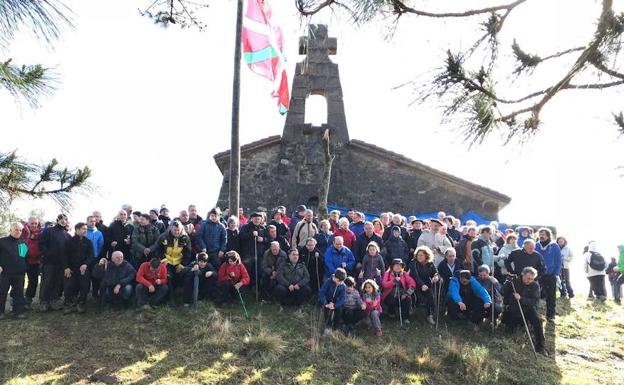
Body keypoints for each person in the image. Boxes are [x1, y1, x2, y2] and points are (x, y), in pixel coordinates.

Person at [502, 266, 547, 355]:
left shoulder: (535, 285)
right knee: (510, 328)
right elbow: (503, 291)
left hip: (528, 308)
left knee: (537, 321)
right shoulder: (514, 281)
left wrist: (521, 298)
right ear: (523, 275)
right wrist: (507, 282)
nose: (529, 281)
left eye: (531, 279)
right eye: (527, 278)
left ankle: (540, 347)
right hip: (514, 308)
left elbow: (534, 301)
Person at [150, 221, 193, 304]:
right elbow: (158, 249)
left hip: (179, 262)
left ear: (181, 229)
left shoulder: (186, 238)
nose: (177, 232)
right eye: (175, 230)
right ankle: (170, 299)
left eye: (178, 230)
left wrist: (182, 265)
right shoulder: (163, 236)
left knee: (183, 277)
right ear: (171, 229)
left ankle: (184, 299)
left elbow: (188, 253)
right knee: (168, 278)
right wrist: (163, 260)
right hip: (166, 261)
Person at [39, 214, 71, 312]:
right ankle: (44, 302)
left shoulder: (66, 234)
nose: (63, 221)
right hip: (49, 262)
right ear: (57, 220)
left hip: (61, 263)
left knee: (57, 283)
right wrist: (48, 254)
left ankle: (54, 301)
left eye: (65, 219)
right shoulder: (49, 231)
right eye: (61, 219)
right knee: (47, 282)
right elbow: (42, 244)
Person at [62, 223, 94, 314]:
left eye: (86, 229)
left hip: (83, 268)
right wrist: (66, 267)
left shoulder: (88, 242)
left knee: (84, 285)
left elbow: (91, 256)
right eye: (83, 229)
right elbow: (64, 255)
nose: (85, 231)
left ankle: (81, 303)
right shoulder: (69, 242)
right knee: (69, 286)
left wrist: (85, 264)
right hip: (71, 268)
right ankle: (68, 303)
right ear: (77, 230)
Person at [0, 222, 28, 319]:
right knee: (2, 292)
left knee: (18, 293)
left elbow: (23, 257)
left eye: (20, 230)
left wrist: (23, 269)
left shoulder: (23, 243)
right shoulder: (2, 241)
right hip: (5, 273)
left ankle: (18, 312)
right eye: (16, 229)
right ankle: (1, 312)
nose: (18, 232)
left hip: (19, 273)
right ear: (11, 230)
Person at [534, 228, 561, 322]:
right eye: (540, 234)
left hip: (550, 275)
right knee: (535, 294)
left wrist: (556, 273)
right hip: (537, 274)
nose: (541, 236)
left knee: (551, 296)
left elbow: (558, 260)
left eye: (543, 234)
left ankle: (551, 315)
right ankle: (534, 314)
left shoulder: (554, 246)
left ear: (548, 235)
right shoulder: (536, 245)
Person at [409, 246, 440, 325]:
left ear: (426, 255)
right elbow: (415, 276)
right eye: (418, 255)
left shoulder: (430, 263)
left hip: (427, 284)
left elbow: (435, 272)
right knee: (419, 298)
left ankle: (429, 315)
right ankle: (416, 315)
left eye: (421, 255)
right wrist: (422, 285)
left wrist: (436, 276)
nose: (419, 257)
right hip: (415, 284)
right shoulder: (413, 263)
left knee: (431, 296)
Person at [381, 258, 415, 325]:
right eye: (396, 265)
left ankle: (405, 318)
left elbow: (413, 283)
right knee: (391, 301)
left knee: (407, 300)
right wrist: (393, 281)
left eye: (400, 265)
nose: (398, 267)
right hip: (390, 294)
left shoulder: (404, 274)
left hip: (402, 294)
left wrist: (407, 293)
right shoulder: (387, 274)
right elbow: (384, 284)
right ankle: (391, 313)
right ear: (392, 266)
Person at [238, 212, 266, 286]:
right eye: (255, 219)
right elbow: (241, 237)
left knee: (257, 272)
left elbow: (268, 239)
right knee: (247, 271)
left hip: (259, 254)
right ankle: (246, 287)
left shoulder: (263, 228)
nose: (257, 220)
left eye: (258, 219)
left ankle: (255, 286)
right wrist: (251, 234)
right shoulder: (245, 227)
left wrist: (263, 239)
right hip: (248, 254)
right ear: (251, 219)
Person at [22, 217, 42, 308]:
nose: (34, 225)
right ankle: (15, 301)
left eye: (36, 223)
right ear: (28, 223)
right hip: (23, 260)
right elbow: (20, 245)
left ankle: (28, 300)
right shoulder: (23, 232)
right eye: (32, 223)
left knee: (33, 282)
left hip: (35, 261)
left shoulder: (40, 234)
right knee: (18, 282)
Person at [319, 267, 347, 332]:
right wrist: (325, 303)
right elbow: (322, 293)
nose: (339, 282)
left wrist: (335, 305)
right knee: (327, 310)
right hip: (327, 300)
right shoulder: (328, 282)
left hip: (336, 303)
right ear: (335, 277)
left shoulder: (343, 286)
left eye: (341, 281)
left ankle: (336, 327)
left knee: (339, 310)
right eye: (338, 281)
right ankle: (328, 326)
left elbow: (342, 298)